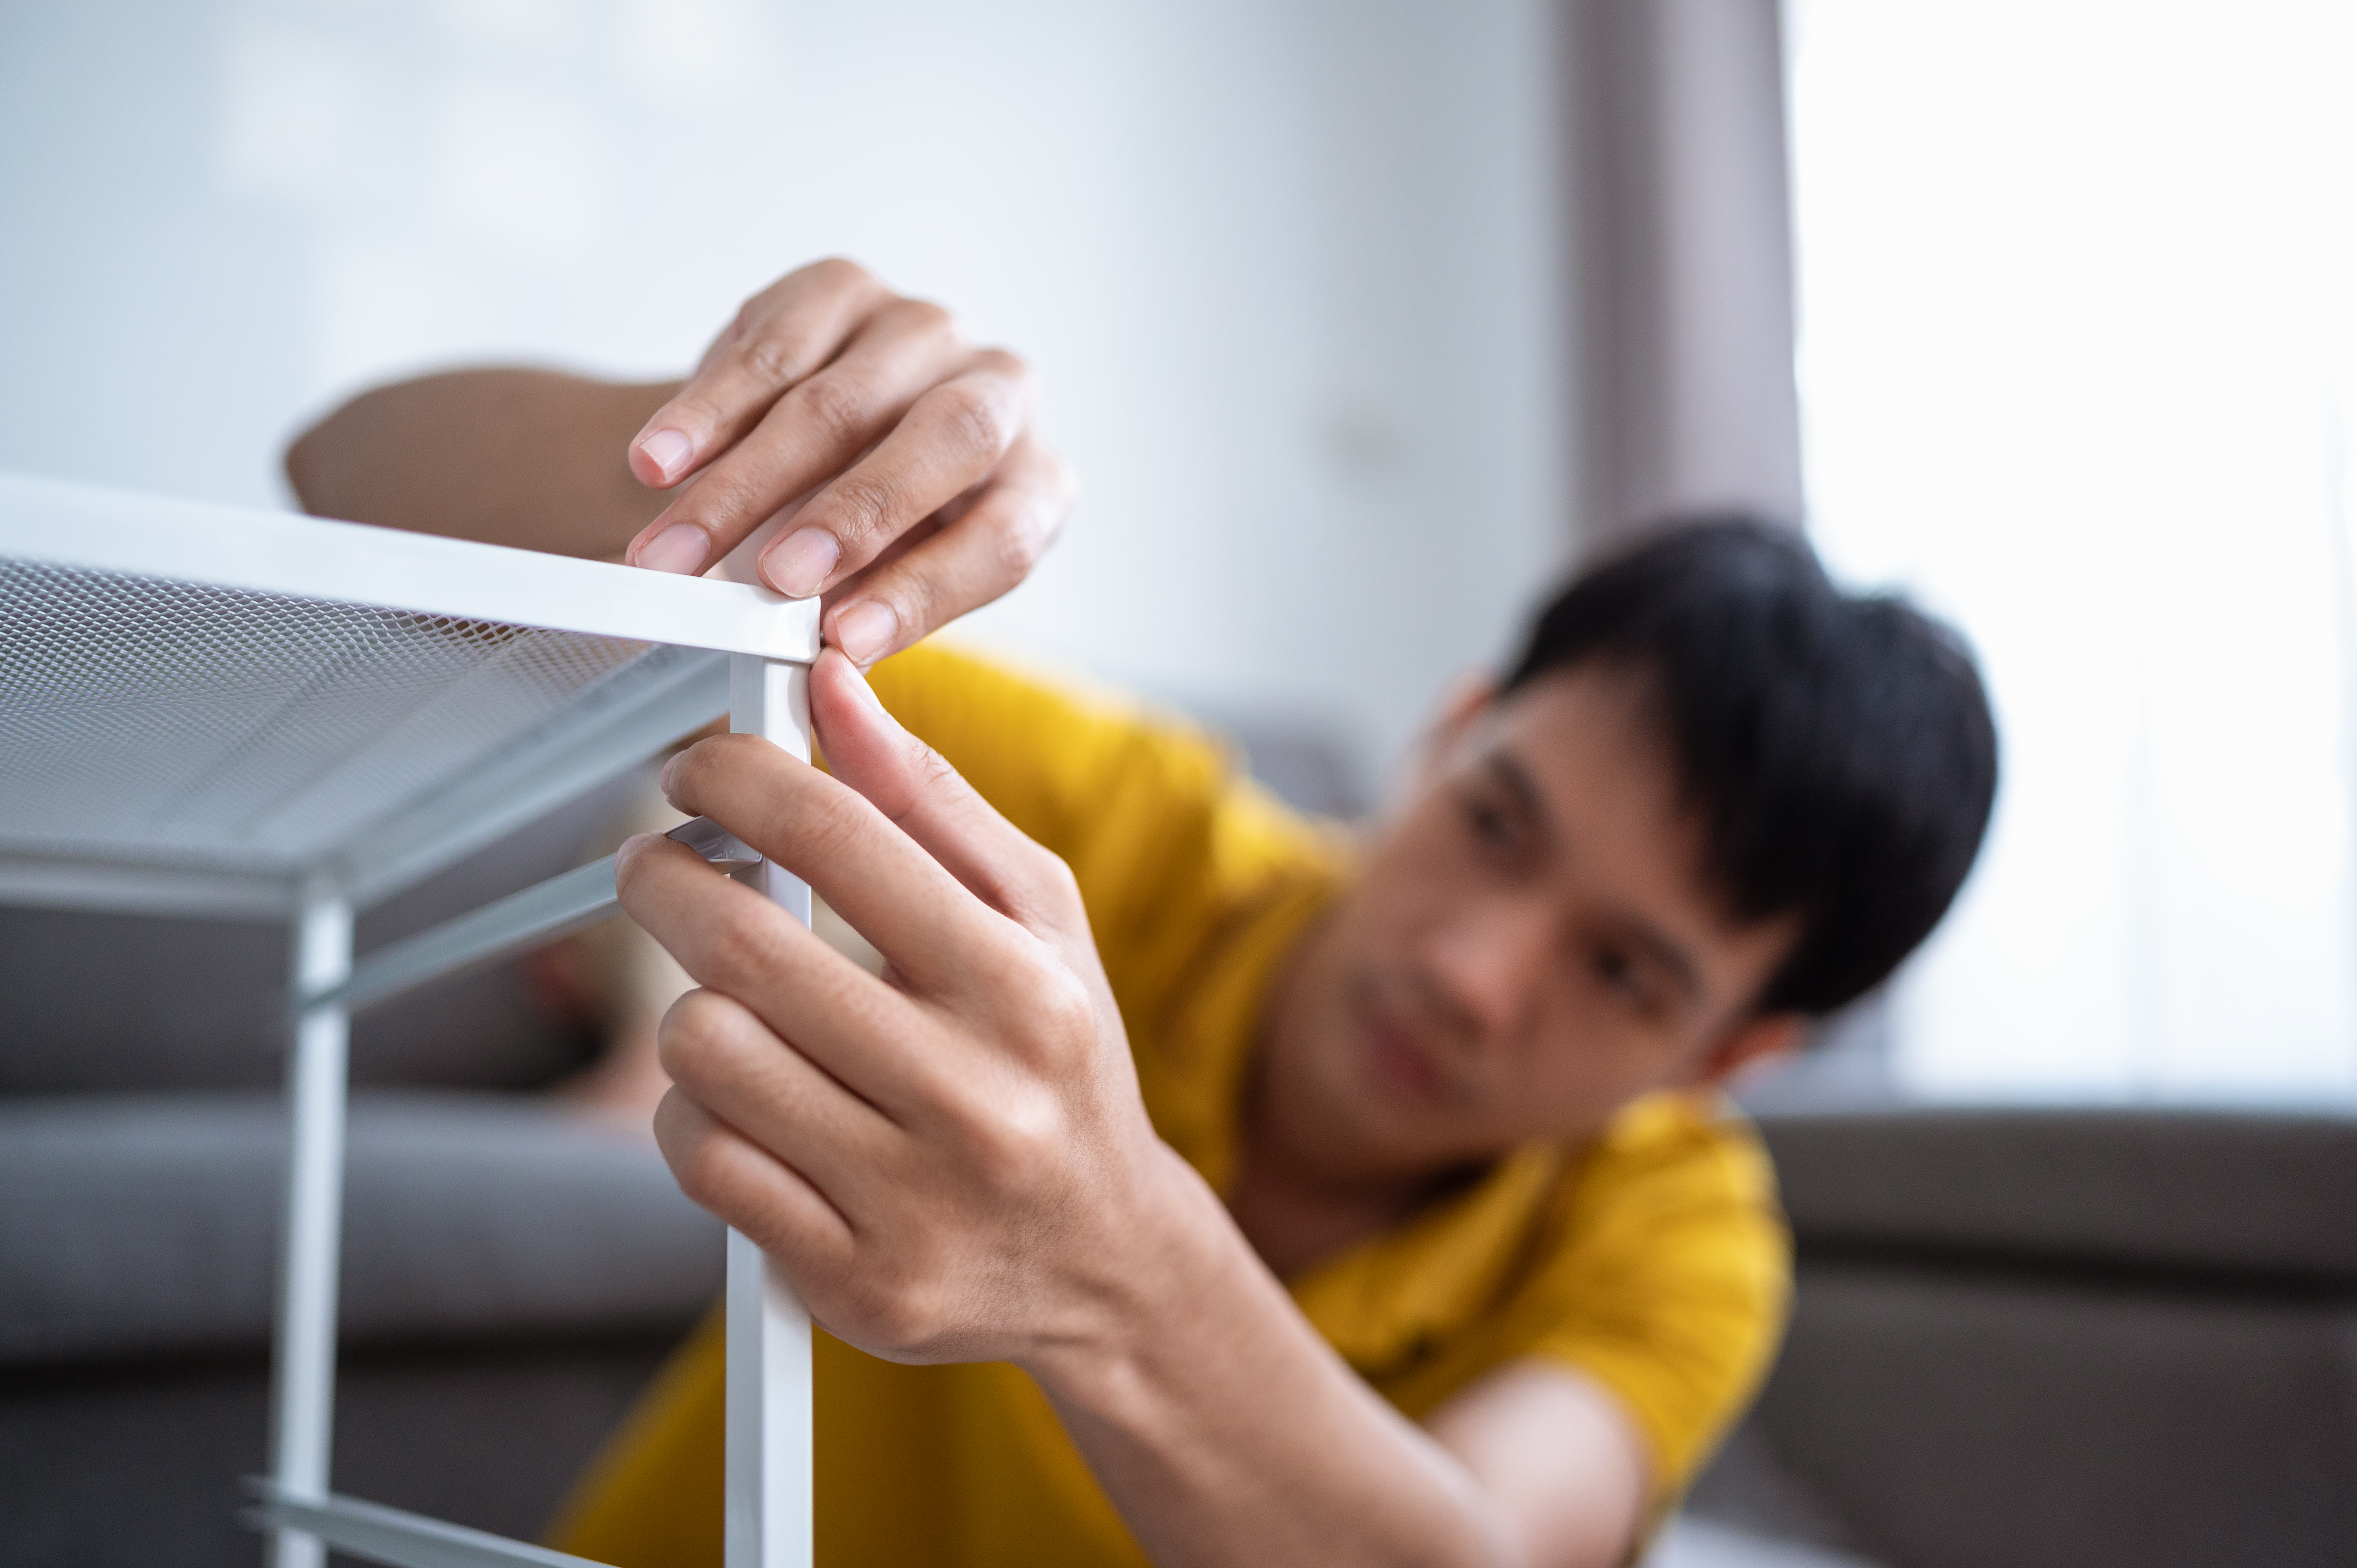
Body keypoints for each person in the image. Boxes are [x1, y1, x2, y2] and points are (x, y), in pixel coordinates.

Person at [289, 258, 1998, 1568]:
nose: (1474, 969)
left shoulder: (1677, 1233)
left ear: (1736, 1051)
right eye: (1494, 821)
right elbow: (345, 468)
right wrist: (734, 465)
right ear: (1451, 723)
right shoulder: (1133, 827)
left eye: (1621, 974)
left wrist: (1107, 1262)